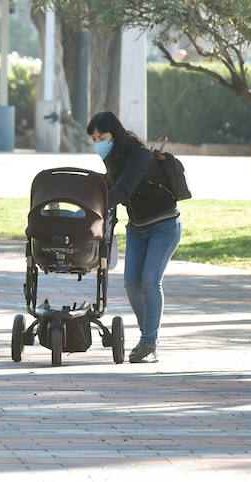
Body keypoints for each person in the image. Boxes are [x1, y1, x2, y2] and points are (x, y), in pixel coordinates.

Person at [86, 110, 182, 364]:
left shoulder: (137, 154)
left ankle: (149, 343)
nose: (98, 143)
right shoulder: (113, 156)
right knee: (131, 284)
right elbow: (109, 187)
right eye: (94, 139)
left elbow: (121, 190)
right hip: (138, 227)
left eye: (102, 136)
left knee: (150, 282)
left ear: (114, 133)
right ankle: (147, 339)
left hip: (165, 225)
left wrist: (90, 205)